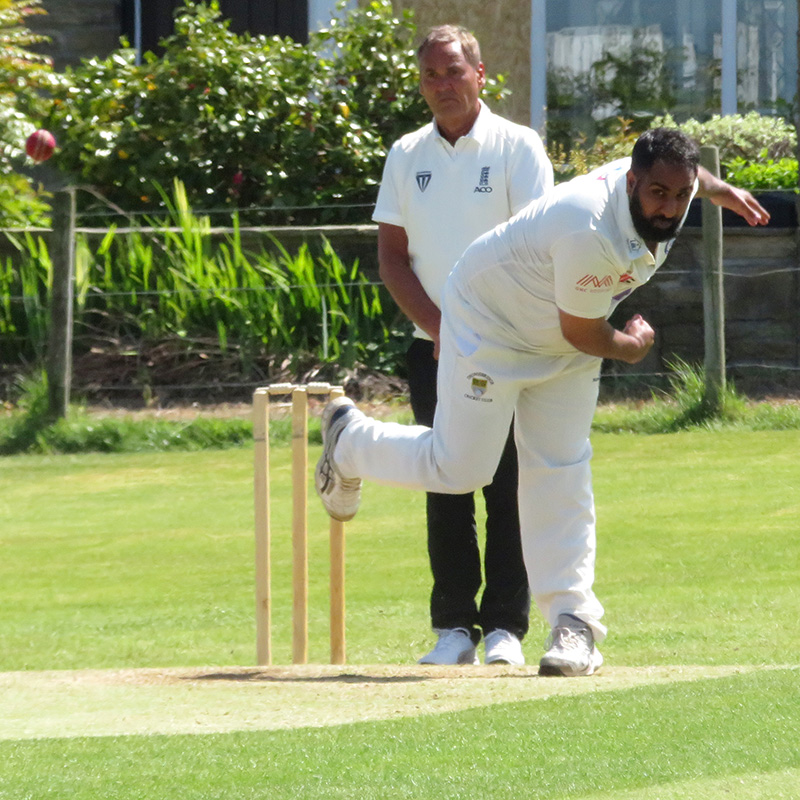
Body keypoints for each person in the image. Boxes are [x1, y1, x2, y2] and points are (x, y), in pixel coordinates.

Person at [316, 128, 769, 676]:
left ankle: (574, 626)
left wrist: (721, 191)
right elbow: (585, 332)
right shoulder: (588, 228)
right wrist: (632, 347)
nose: (669, 208)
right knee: (460, 470)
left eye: (679, 195)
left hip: (562, 335)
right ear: (631, 182)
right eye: (657, 194)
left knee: (560, 465)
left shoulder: (673, 184)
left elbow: (690, 179)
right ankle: (350, 441)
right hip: (491, 324)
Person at [373, 24, 554, 667]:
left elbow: (536, 248)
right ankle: (453, 627)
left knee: (507, 485)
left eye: (454, 71)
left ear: (480, 75)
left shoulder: (518, 146)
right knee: (444, 480)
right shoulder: (406, 153)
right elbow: (393, 258)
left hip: (508, 345)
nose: (443, 85)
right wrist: (442, 329)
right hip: (434, 347)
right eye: (431, 75)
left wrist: (487, 332)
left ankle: (505, 626)